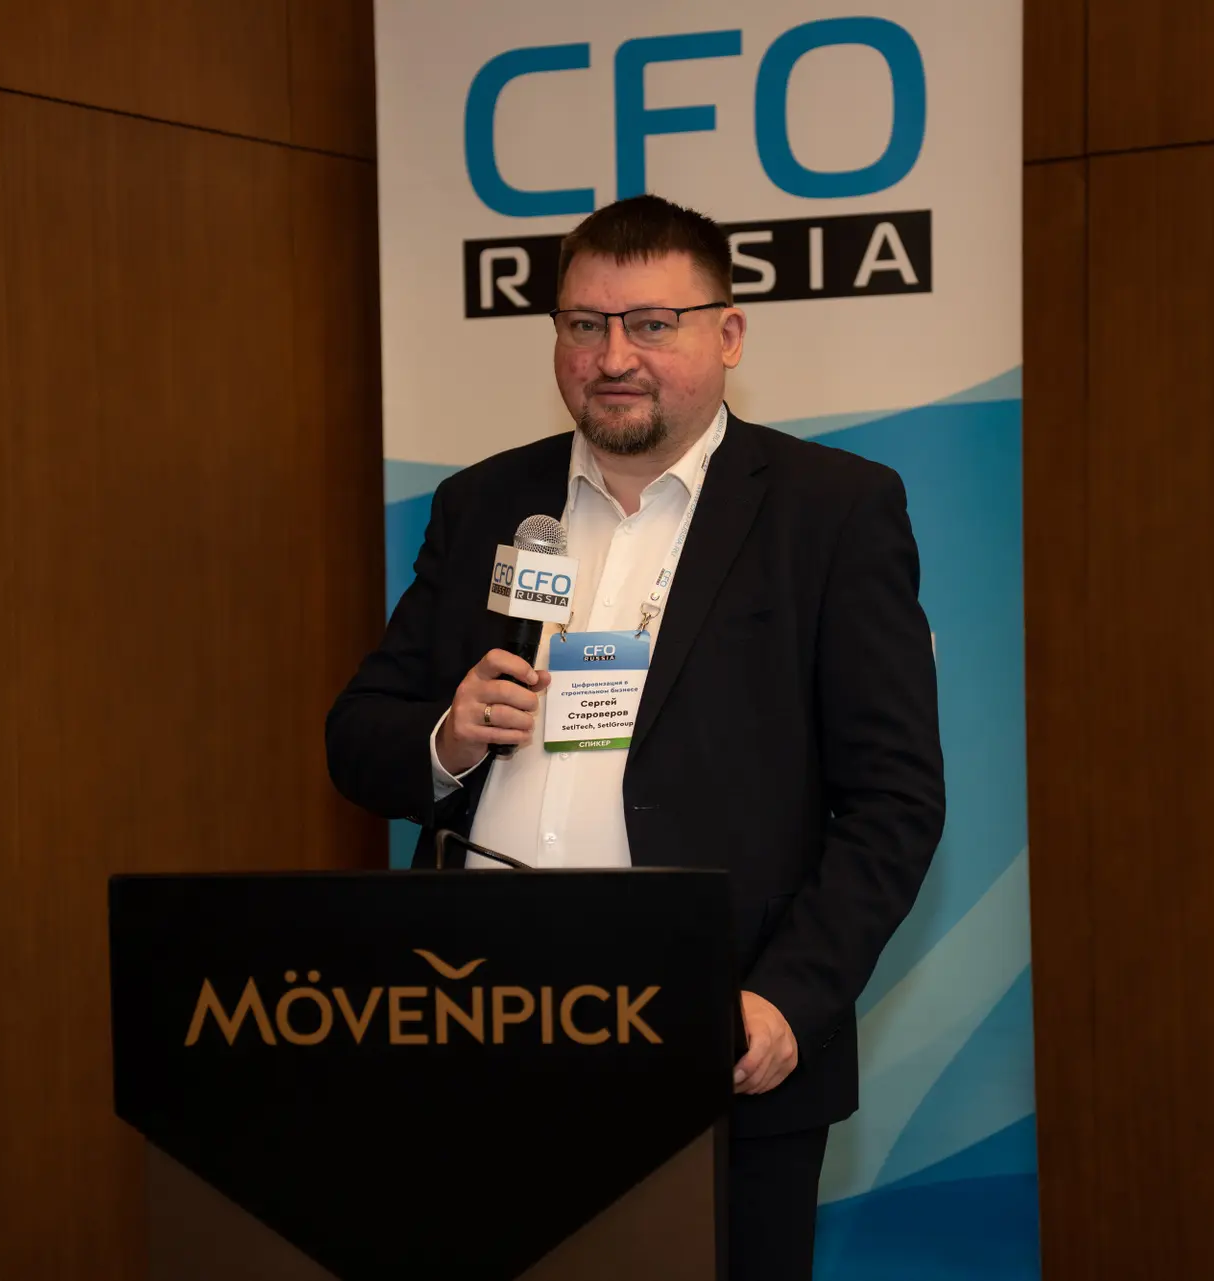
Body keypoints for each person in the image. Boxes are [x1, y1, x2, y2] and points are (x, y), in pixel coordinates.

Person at [325, 194, 944, 1280]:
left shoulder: (831, 510)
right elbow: (359, 737)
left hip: (715, 1038)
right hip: (483, 1027)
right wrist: (448, 736)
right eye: (584, 325)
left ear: (728, 334)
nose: (613, 357)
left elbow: (894, 801)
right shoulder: (484, 504)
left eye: (652, 323)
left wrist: (788, 999)